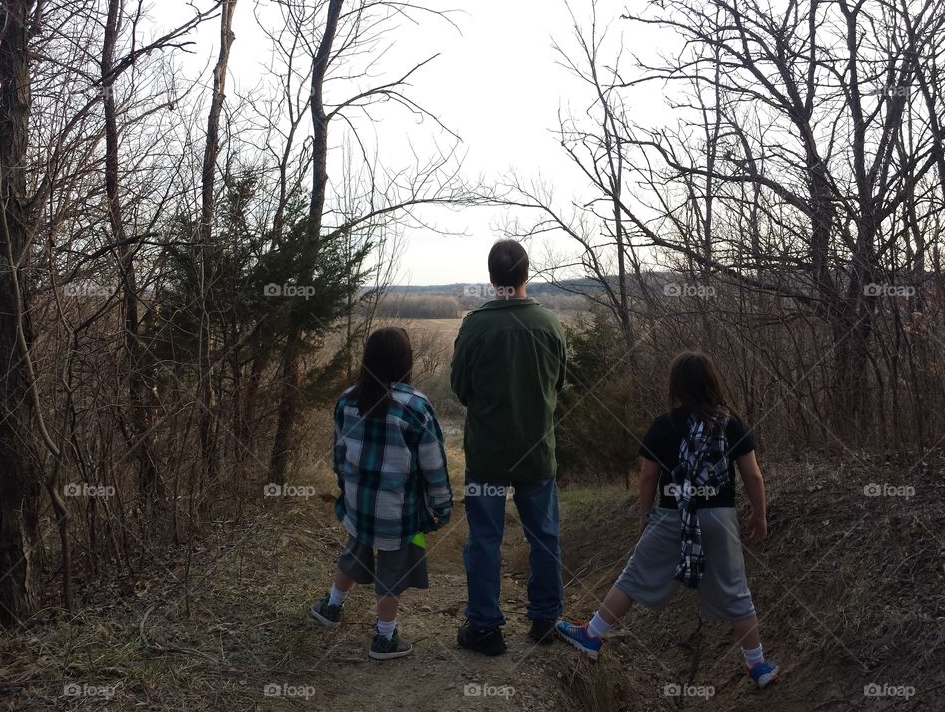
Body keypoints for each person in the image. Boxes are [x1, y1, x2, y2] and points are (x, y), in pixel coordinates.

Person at [555, 351, 780, 690]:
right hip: (719, 517)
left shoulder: (665, 424)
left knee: (634, 576)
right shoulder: (730, 423)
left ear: (676, 386)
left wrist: (646, 515)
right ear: (712, 382)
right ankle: (758, 665)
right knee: (737, 591)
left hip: (674, 513)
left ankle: (592, 635)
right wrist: (759, 515)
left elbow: (648, 476)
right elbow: (752, 474)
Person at [451, 240, 567, 656]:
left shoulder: (475, 326)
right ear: (525, 275)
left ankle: (484, 628)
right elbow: (559, 384)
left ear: (491, 278)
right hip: (537, 453)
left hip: (487, 455)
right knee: (545, 536)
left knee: (484, 538)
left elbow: (459, 388)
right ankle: (545, 620)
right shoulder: (549, 324)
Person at [310, 327, 453, 661]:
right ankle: (384, 639)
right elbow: (434, 466)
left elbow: (339, 457)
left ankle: (331, 607)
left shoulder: (347, 399)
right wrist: (441, 507)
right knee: (393, 568)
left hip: (359, 503)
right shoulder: (416, 407)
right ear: (405, 361)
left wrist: (348, 493)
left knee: (355, 548)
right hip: (398, 509)